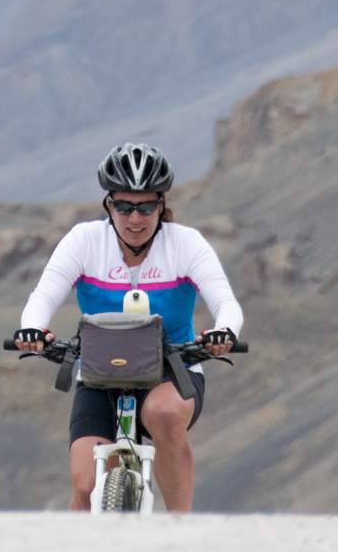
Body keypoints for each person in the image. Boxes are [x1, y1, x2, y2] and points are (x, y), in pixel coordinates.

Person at [13, 141, 243, 512]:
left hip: (173, 371)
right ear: (109, 205)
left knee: (163, 416)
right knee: (86, 485)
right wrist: (33, 330)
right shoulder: (85, 241)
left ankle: (178, 529)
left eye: (147, 206)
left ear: (161, 205)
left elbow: (226, 303)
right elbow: (43, 296)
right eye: (124, 206)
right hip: (100, 375)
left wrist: (224, 332)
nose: (135, 218)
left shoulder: (185, 244)